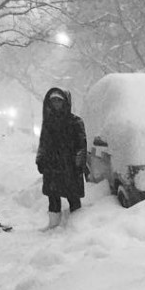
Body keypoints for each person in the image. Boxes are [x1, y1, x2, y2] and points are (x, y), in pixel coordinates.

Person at [36, 87, 87, 230]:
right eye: (53, 101)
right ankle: (53, 224)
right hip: (52, 165)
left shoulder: (76, 122)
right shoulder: (48, 122)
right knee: (53, 195)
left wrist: (78, 164)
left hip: (69, 166)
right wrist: (40, 159)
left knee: (73, 195)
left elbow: (82, 145)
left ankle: (76, 225)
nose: (56, 104)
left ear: (65, 102)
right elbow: (43, 143)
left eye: (59, 100)